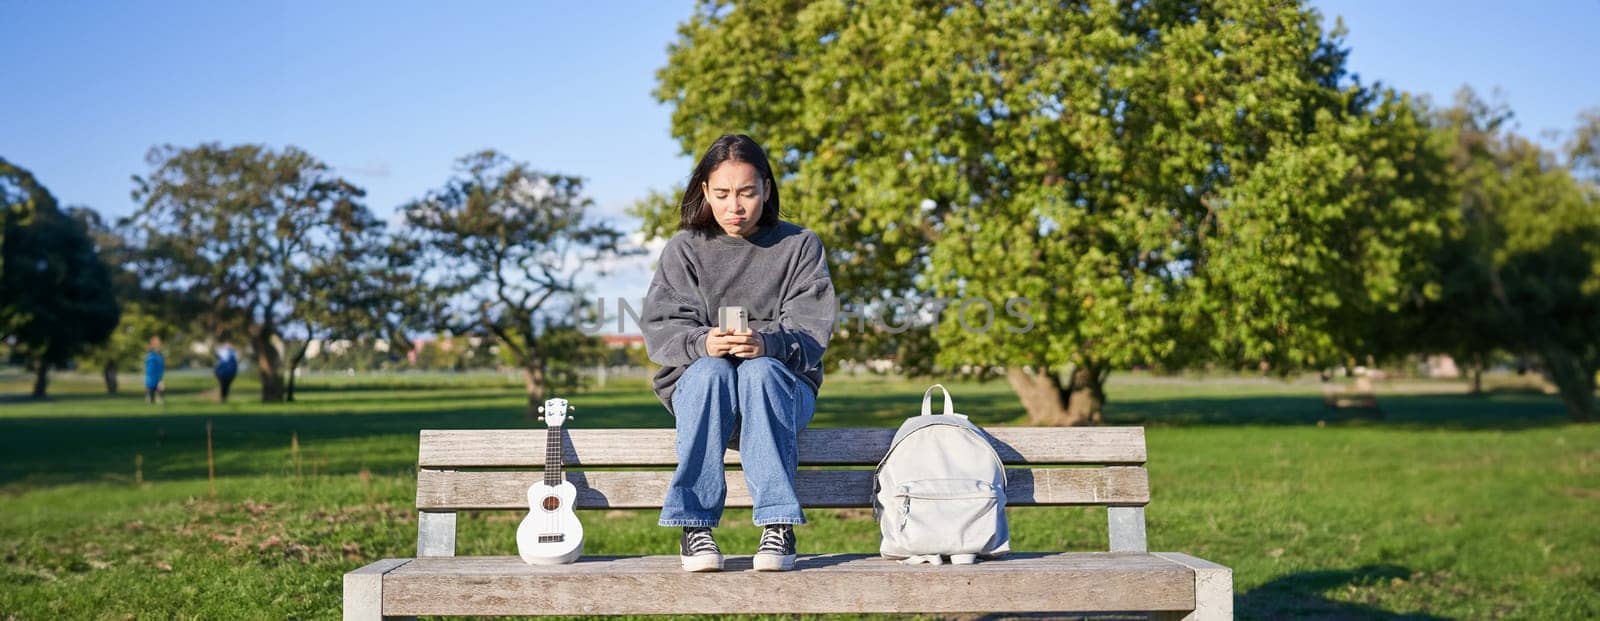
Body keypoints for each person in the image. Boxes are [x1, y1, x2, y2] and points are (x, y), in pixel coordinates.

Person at [642, 134, 838, 573]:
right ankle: (694, 526)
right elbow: (661, 329)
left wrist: (765, 344)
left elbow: (812, 329)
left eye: (747, 192)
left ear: (766, 189)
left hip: (780, 394)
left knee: (760, 372)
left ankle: (778, 525)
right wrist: (703, 343)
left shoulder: (801, 245)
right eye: (724, 194)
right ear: (705, 193)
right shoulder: (685, 248)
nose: (736, 206)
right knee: (712, 371)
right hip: (702, 394)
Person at [144, 336, 165, 404]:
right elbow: (148, 365)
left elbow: (161, 366)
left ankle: (158, 398)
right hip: (150, 374)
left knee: (159, 387)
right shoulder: (150, 354)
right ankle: (150, 399)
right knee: (150, 387)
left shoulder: (159, 354)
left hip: (158, 374)